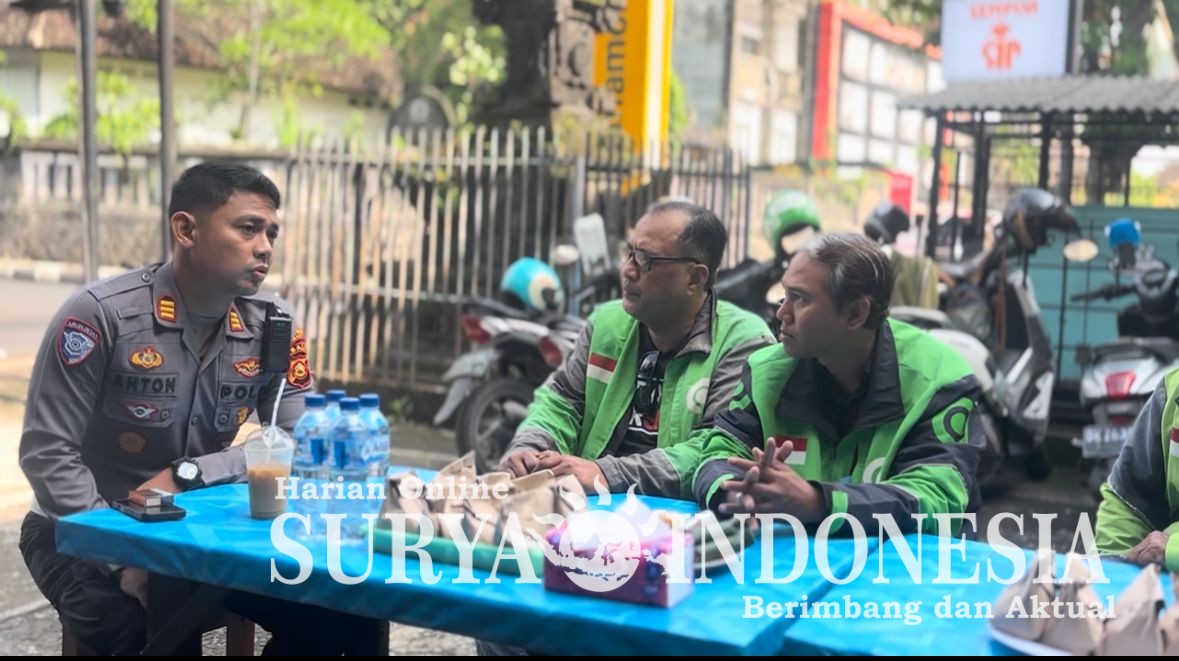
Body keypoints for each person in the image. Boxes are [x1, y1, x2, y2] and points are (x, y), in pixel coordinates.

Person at [18, 162, 383, 655]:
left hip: (198, 528)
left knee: (346, 613)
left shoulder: (273, 325)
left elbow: (302, 441)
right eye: (248, 228)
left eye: (271, 233)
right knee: (152, 633)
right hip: (80, 528)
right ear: (186, 230)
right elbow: (47, 453)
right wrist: (120, 556)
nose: (265, 247)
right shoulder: (103, 316)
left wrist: (190, 473)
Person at [692, 233, 984, 535]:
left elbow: (935, 498)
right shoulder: (764, 371)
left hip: (910, 561)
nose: (781, 313)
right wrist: (736, 493)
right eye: (784, 294)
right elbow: (718, 452)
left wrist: (819, 502)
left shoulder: (938, 380)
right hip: (794, 555)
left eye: (800, 298)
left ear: (855, 313)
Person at [497, 201, 775, 499]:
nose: (627, 270)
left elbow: (717, 451)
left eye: (645, 260)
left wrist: (606, 473)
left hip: (678, 517)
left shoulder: (743, 343)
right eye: (629, 253)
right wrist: (530, 447)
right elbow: (561, 403)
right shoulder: (607, 324)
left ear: (695, 278)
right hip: (588, 509)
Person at [1095, 372, 1179, 570]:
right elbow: (1128, 501)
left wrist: (1172, 550)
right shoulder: (1172, 392)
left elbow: (1166, 550)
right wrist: (1115, 568)